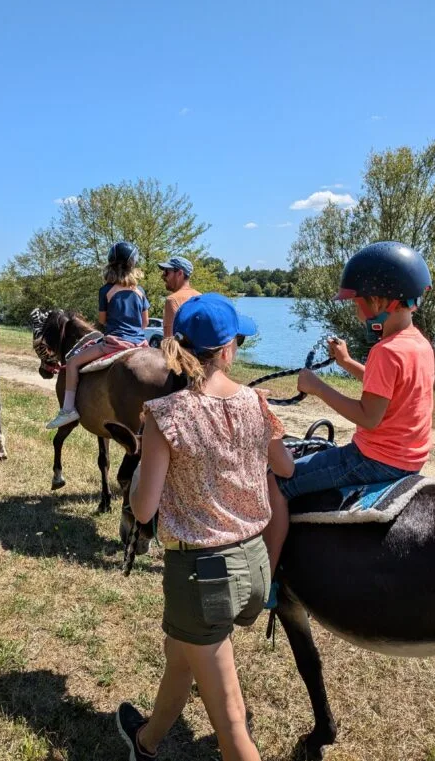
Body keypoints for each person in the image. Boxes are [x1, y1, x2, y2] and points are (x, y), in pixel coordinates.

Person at [117, 293, 294, 761]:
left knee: (233, 727)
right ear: (229, 349)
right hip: (255, 567)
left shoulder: (166, 415)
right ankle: (146, 743)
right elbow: (286, 468)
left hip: (201, 577)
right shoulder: (257, 402)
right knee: (182, 657)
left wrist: (138, 469)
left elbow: (143, 508)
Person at [280, 240, 435, 502]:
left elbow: (368, 417)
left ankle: (268, 545)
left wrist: (317, 387)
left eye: (356, 304)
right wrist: (346, 362)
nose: (355, 313)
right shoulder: (418, 343)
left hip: (373, 459)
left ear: (376, 301)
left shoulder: (386, 350)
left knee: (279, 481)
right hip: (410, 458)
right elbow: (391, 389)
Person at [45, 241, 150, 429]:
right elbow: (145, 323)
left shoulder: (106, 290)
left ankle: (68, 410)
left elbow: (102, 321)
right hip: (140, 344)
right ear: (133, 264)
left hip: (115, 343)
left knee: (72, 363)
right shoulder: (140, 292)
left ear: (111, 263)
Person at [158, 256, 200, 339]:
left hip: (180, 351)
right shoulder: (200, 296)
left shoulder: (172, 300)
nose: (163, 277)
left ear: (180, 273)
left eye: (167, 272)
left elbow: (169, 339)